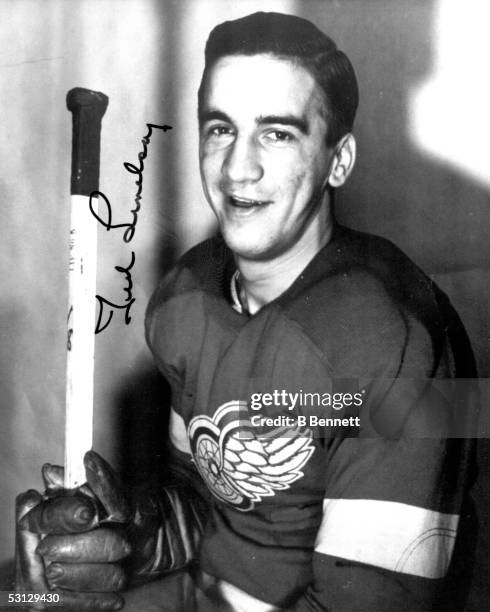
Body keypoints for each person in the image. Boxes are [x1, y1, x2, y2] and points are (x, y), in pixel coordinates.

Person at [16, 11, 477, 612]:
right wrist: (129, 535)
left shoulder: (407, 341)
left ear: (339, 159)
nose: (238, 168)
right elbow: (207, 500)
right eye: (220, 129)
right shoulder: (184, 298)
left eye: (277, 132)